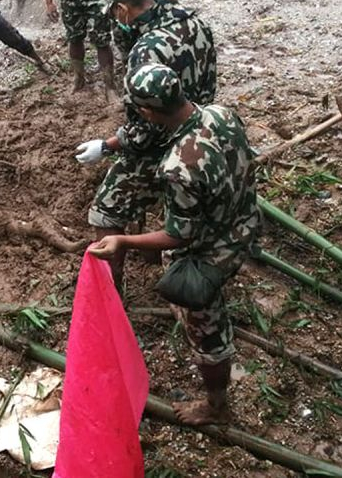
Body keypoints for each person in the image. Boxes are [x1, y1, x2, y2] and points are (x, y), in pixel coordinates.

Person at [90, 64, 261, 426]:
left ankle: (216, 406)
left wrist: (123, 240)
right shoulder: (221, 113)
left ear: (149, 112)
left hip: (213, 251)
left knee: (207, 332)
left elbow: (179, 235)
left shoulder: (179, 165)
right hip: (244, 219)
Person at [75, 0, 216, 291]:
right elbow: (209, 85)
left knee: (106, 211)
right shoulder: (195, 23)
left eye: (113, 12)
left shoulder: (146, 52)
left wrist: (108, 145)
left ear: (123, 9)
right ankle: (151, 258)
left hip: (164, 143)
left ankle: (110, 293)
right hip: (202, 132)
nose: (114, 19)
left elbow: (143, 130)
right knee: (167, 199)